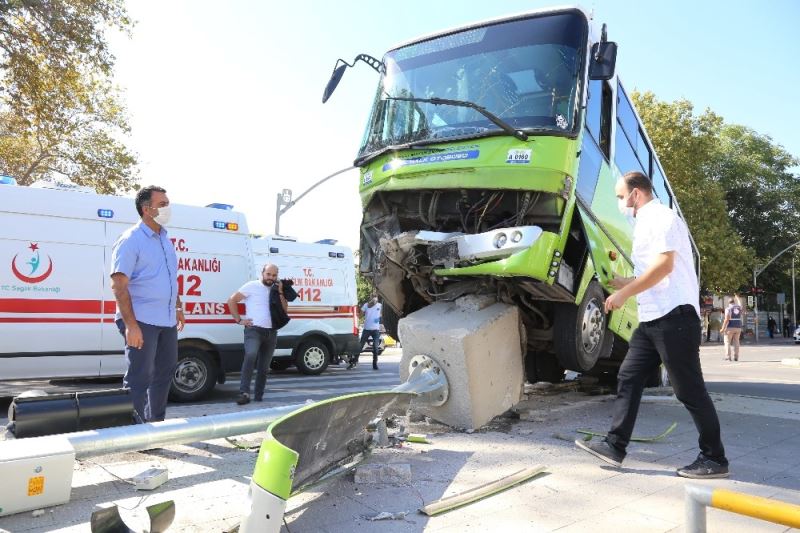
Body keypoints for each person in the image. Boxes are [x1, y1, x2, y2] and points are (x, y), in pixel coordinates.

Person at [575, 171, 728, 479]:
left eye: (620, 196)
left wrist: (623, 294)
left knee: (689, 392)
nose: (619, 202)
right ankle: (614, 446)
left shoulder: (660, 217)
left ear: (636, 194)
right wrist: (625, 281)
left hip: (674, 317)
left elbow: (664, 267)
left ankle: (715, 459)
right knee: (628, 377)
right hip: (652, 320)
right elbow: (653, 273)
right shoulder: (645, 221)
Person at [110, 185, 184, 423]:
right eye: (162, 204)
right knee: (140, 377)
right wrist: (131, 326)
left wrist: (178, 307)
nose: (167, 208)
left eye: (167, 203)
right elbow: (119, 286)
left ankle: (155, 427)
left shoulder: (165, 239)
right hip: (141, 319)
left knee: (164, 374)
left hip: (166, 319)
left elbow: (170, 278)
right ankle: (133, 431)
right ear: (146, 209)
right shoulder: (131, 240)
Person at [227, 264, 290, 405]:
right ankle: (244, 393)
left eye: (274, 275)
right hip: (254, 330)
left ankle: (258, 396)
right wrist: (239, 320)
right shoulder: (252, 286)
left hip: (271, 332)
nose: (271, 278)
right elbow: (232, 300)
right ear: (262, 273)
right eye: (268, 274)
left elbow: (285, 310)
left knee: (264, 366)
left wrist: (280, 292)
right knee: (250, 355)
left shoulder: (277, 289)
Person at [353, 293, 382, 370]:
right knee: (361, 345)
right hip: (367, 329)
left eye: (376, 297)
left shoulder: (379, 305)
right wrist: (357, 313)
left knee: (375, 348)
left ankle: (375, 364)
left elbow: (382, 314)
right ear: (370, 298)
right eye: (373, 297)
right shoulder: (366, 305)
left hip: (375, 330)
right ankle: (355, 361)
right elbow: (360, 315)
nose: (375, 298)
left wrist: (379, 318)